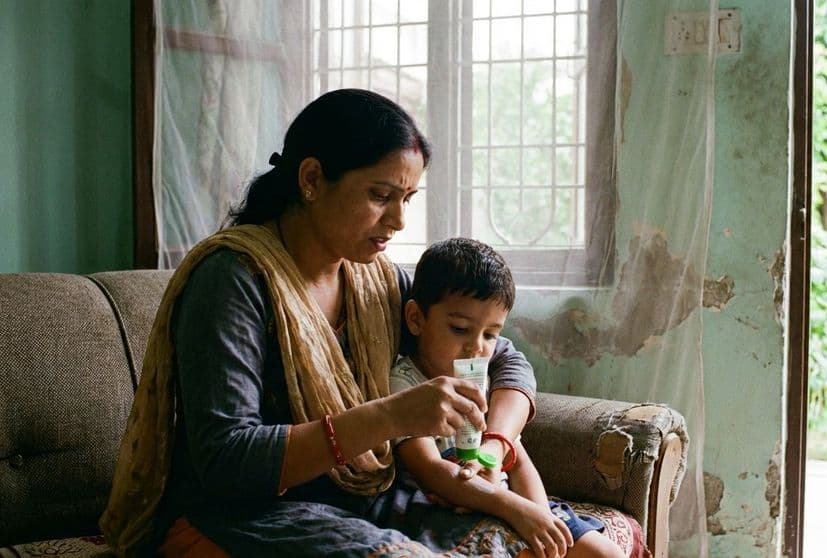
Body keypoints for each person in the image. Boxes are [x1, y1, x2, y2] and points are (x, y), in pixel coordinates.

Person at [99, 89, 539, 557]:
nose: (399, 220)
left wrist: (496, 443)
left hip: (358, 504)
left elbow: (504, 358)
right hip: (242, 515)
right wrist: (391, 416)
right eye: (381, 195)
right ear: (311, 179)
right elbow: (227, 460)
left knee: (540, 542)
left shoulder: (377, 281)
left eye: (407, 199)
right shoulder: (233, 280)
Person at [389, 237, 624, 558]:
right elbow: (430, 470)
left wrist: (540, 515)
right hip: (446, 512)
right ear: (416, 319)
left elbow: (516, 456)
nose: (476, 347)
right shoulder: (404, 385)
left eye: (490, 334)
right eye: (459, 329)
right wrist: (515, 510)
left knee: (606, 554)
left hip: (512, 502)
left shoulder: (481, 381)